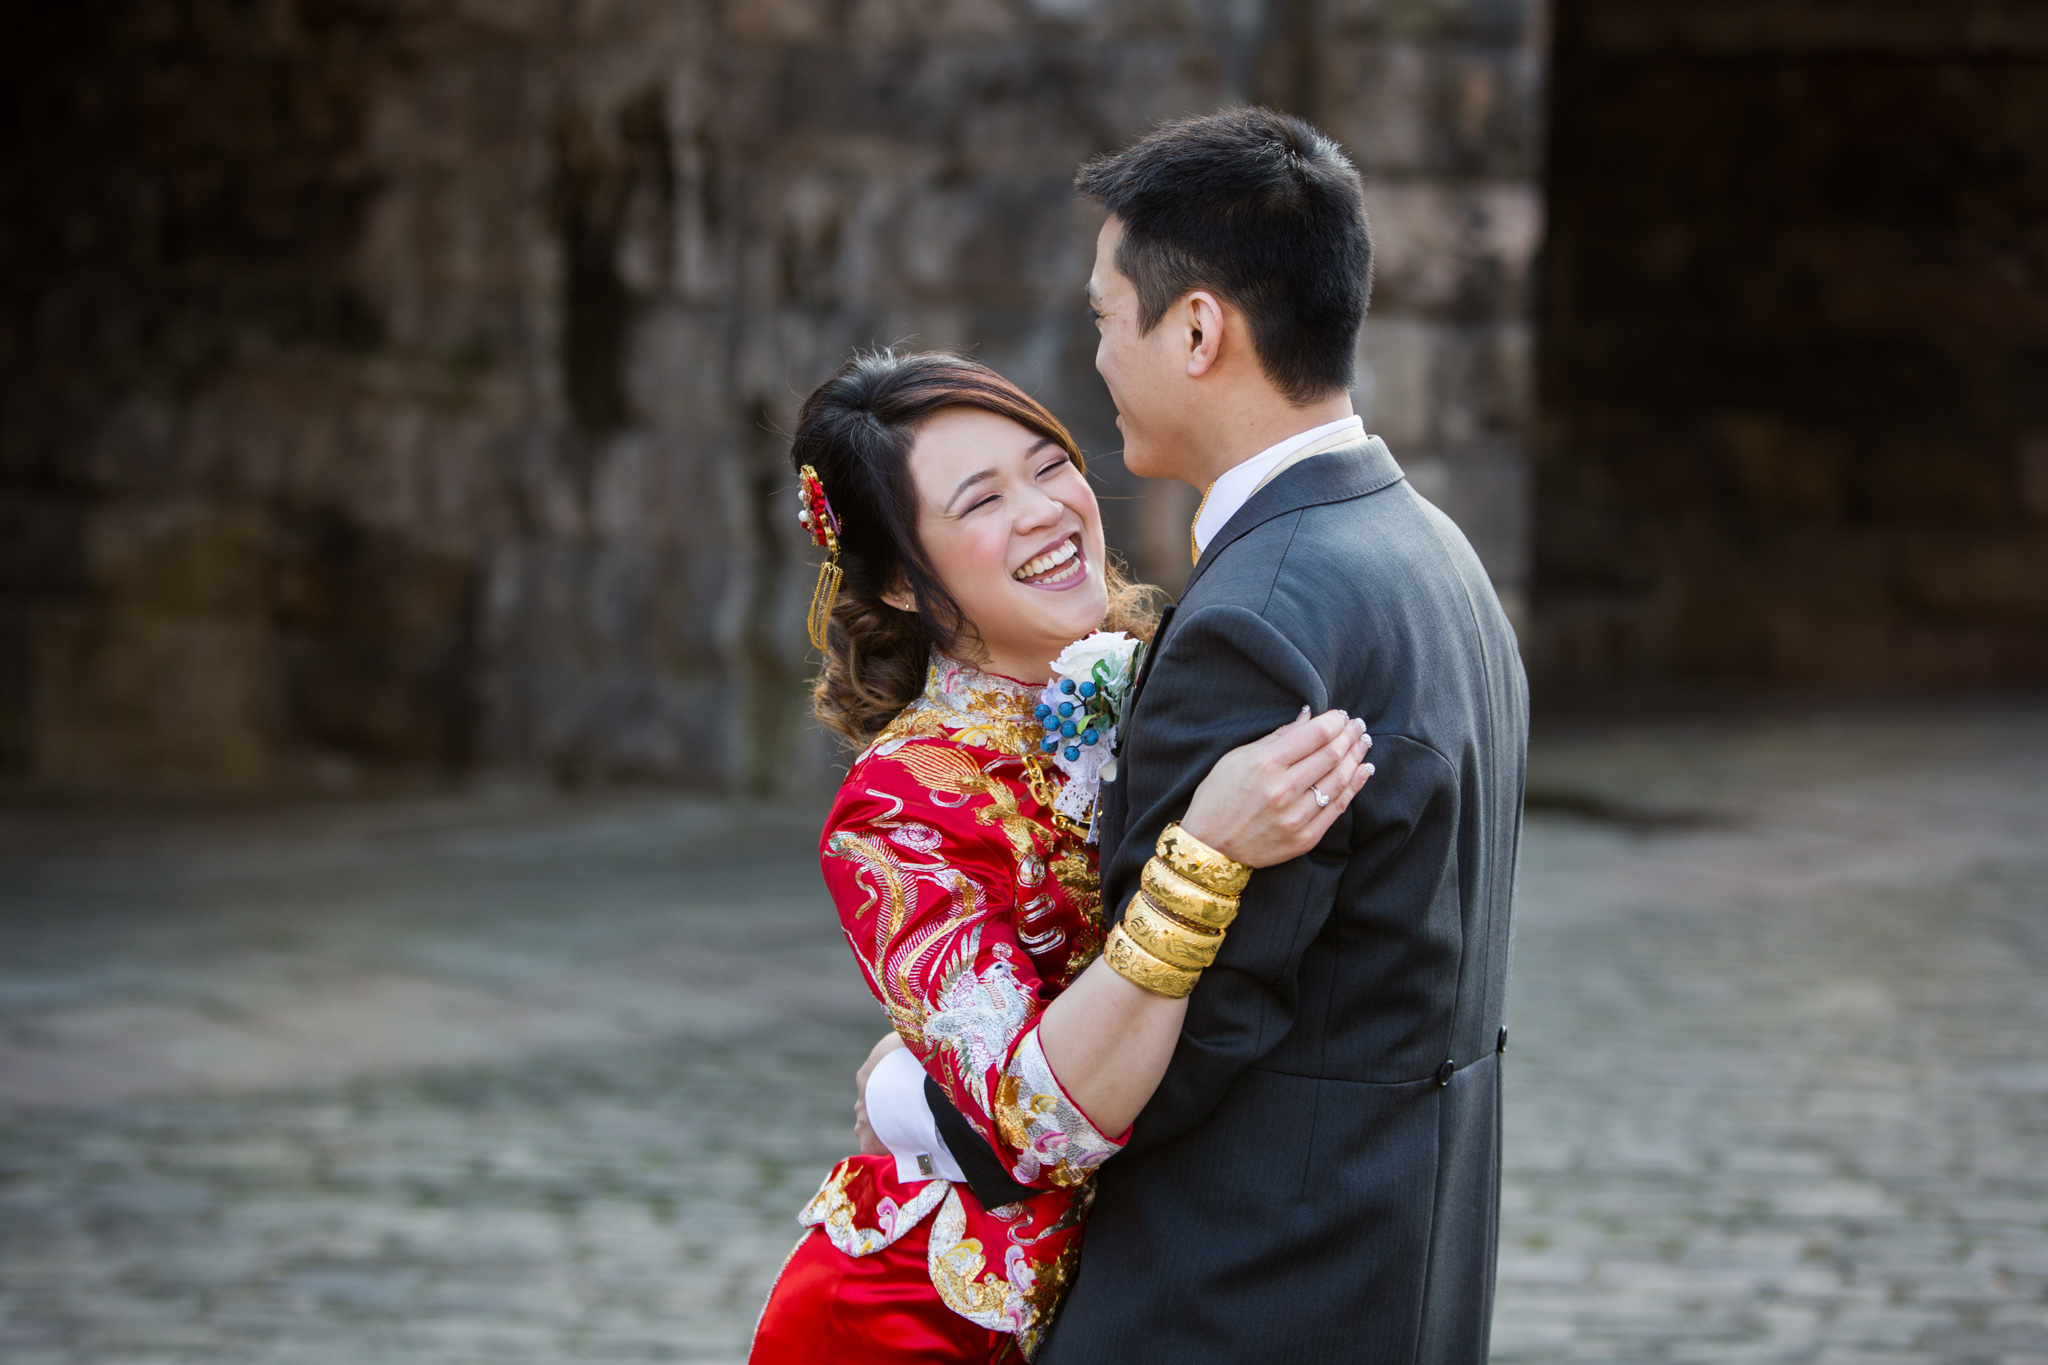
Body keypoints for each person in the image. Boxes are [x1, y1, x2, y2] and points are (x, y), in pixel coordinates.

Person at [909, 108, 1530, 1362]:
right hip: (1397, 1257)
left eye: (1102, 319)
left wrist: (950, 1102)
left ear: (1195, 328)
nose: (1094, 359)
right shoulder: (1432, 552)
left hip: (1235, 1290)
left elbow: (1183, 1046)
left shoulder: (1257, 618)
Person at [747, 350, 1375, 1364]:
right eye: (982, 500)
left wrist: (907, 1081)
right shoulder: (901, 805)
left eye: (1048, 466)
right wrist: (1202, 857)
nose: (1045, 510)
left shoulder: (1173, 668)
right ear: (905, 580)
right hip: (924, 1322)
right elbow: (1039, 1122)